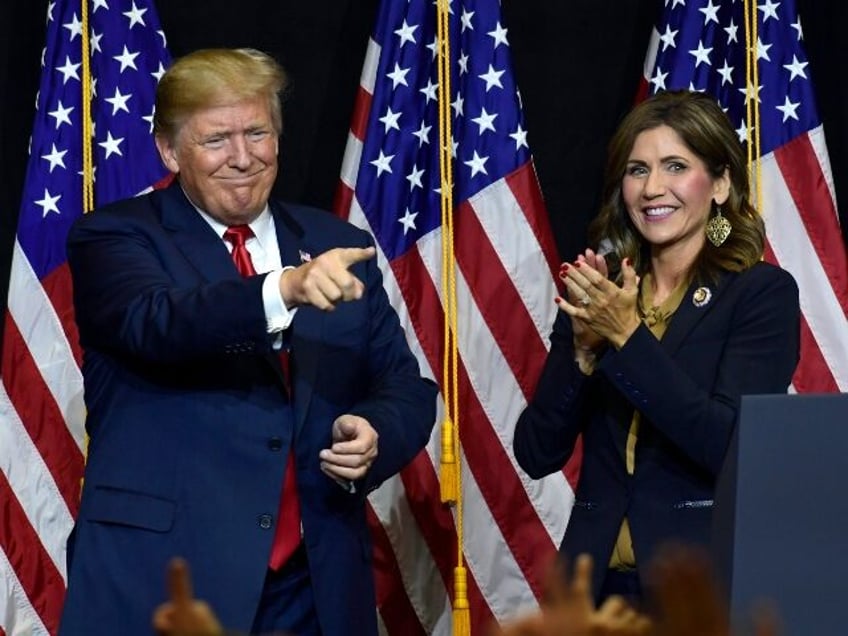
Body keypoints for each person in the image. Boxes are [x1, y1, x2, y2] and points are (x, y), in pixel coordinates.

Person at [58, 48, 437, 636]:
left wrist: (376, 432)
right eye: (216, 140)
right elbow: (162, 322)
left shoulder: (335, 241)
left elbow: (405, 386)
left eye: (257, 132)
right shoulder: (113, 237)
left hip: (316, 589)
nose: (242, 157)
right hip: (166, 583)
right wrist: (283, 287)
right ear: (168, 150)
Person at [513, 90, 800, 605]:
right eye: (637, 170)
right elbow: (536, 453)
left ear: (720, 183)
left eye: (675, 166)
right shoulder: (601, 294)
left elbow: (728, 447)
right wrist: (581, 354)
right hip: (591, 591)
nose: (653, 188)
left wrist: (627, 337)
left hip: (698, 590)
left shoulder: (760, 294)